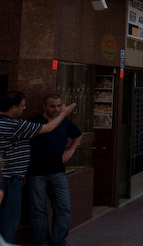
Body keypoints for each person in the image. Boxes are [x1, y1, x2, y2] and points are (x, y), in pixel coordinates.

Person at [0, 91, 76, 243]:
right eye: (22, 106)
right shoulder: (14, 125)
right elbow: (48, 128)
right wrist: (64, 113)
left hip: (10, 177)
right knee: (10, 217)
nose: (25, 108)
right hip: (9, 178)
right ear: (13, 108)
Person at [27, 93, 83, 246]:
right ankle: (42, 242)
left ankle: (59, 241)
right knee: (38, 209)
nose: (56, 109)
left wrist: (71, 151)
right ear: (44, 106)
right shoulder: (34, 122)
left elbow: (78, 135)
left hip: (57, 172)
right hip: (36, 172)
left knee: (63, 207)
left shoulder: (65, 122)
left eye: (59, 106)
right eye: (52, 106)